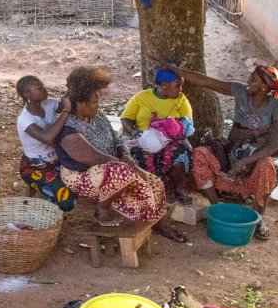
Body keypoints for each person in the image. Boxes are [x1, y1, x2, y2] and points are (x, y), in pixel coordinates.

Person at [55, 66, 185, 242]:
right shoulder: (69, 130)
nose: (98, 105)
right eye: (94, 102)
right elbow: (97, 158)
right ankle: (101, 211)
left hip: (111, 170)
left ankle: (158, 223)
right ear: (80, 104)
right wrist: (127, 167)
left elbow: (117, 140)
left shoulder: (98, 116)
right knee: (123, 174)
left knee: (155, 183)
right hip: (82, 176)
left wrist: (126, 154)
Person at [168, 64, 278, 240]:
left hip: (254, 157)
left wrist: (246, 161)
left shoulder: (276, 106)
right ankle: (217, 208)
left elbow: (274, 144)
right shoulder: (240, 91)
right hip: (231, 151)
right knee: (200, 155)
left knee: (266, 167)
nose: (248, 82)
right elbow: (206, 81)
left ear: (265, 87)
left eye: (253, 79)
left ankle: (259, 218)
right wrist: (175, 70)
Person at [120, 68, 194, 202]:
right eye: (177, 86)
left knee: (180, 154)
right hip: (144, 138)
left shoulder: (181, 99)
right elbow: (125, 118)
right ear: (164, 86)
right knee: (139, 156)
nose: (180, 89)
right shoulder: (141, 97)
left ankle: (180, 188)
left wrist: (179, 132)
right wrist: (132, 131)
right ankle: (148, 192)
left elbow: (187, 121)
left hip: (171, 139)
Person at [15, 75, 75, 211]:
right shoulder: (25, 119)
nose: (43, 89)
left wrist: (70, 93)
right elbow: (47, 138)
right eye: (38, 87)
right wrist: (66, 110)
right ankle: (41, 190)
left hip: (58, 162)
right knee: (67, 202)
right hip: (35, 167)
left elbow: (70, 105)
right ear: (27, 94)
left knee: (81, 185)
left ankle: (44, 189)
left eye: (42, 85)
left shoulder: (50, 103)